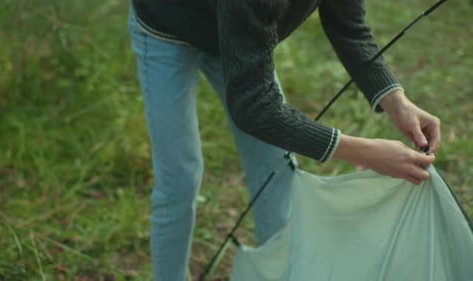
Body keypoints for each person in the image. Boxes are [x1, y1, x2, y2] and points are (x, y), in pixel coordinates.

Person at [127, 0, 441, 280]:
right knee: (179, 178)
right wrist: (366, 152)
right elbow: (254, 107)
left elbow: (348, 26)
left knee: (276, 167)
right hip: (167, 28)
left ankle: (280, 272)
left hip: (241, 39)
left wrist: (396, 100)